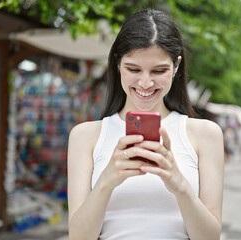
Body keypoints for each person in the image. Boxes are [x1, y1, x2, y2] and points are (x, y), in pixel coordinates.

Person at [67, 9, 224, 240]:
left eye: (159, 70)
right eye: (133, 69)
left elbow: (210, 237)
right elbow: (78, 237)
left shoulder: (205, 134)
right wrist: (107, 180)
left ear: (176, 66)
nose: (145, 82)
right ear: (117, 62)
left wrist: (179, 185)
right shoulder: (85, 136)